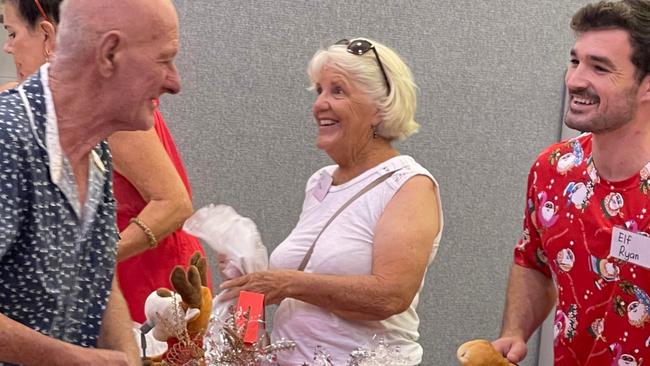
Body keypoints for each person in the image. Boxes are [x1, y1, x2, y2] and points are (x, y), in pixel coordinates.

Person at [220, 38, 443, 365]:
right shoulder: (320, 182)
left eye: (337, 91)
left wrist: (286, 283)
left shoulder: (409, 185)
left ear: (381, 107)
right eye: (319, 90)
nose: (319, 104)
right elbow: (295, 295)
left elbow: (390, 295)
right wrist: (247, 281)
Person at [1, 0, 211, 325]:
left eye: (13, 33)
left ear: (47, 36)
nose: (8, 48)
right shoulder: (29, 118)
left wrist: (86, 266)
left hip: (149, 278)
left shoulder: (107, 112)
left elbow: (174, 202)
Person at [493, 1, 650, 365]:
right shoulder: (554, 169)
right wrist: (515, 333)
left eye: (600, 67)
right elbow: (534, 259)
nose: (575, 80)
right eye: (576, 61)